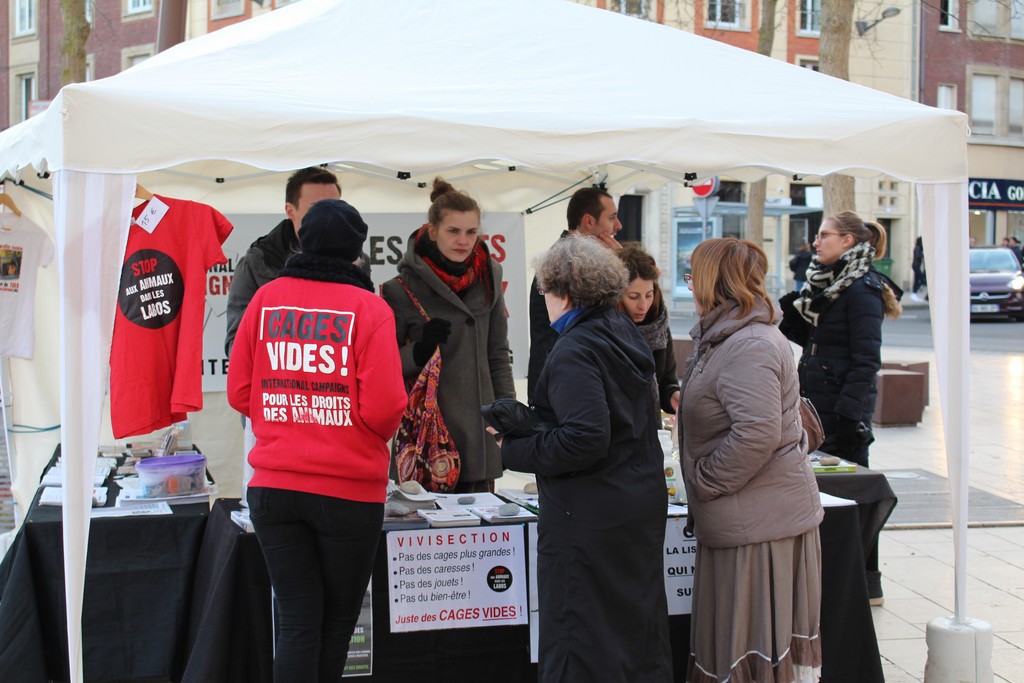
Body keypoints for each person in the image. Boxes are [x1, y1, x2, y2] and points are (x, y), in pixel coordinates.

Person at [227, 199, 407, 683]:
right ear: (355, 253)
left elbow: (240, 391)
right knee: (334, 626)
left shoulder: (267, 299)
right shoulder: (370, 308)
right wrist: (350, 430)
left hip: (274, 489)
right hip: (347, 493)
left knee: (297, 622)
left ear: (302, 239)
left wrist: (288, 420)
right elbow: (387, 407)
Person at [500, 234, 672, 683]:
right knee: (632, 631)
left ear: (564, 293)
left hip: (589, 515)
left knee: (582, 635)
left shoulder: (576, 348)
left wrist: (512, 449)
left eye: (545, 292)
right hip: (632, 502)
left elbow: (584, 439)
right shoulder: (620, 333)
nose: (545, 302)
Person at [679, 237, 824, 683]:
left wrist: (704, 480)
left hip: (760, 525)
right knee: (733, 648)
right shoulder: (729, 337)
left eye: (692, 277)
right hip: (747, 519)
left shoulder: (750, 344)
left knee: (748, 651)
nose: (689, 286)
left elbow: (756, 434)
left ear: (711, 282)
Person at [779, 210, 903, 605]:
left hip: (842, 409)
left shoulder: (862, 289)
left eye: (824, 235)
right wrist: (794, 309)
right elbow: (816, 339)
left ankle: (868, 583)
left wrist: (852, 415)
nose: (816, 242)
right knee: (827, 494)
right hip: (818, 400)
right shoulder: (827, 284)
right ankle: (834, 575)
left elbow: (866, 359)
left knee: (854, 498)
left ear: (848, 241)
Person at [381, 177, 515, 492]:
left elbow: (497, 354)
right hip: (426, 438)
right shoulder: (399, 290)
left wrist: (508, 417)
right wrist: (421, 347)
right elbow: (384, 367)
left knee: (482, 540)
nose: (463, 240)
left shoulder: (490, 277)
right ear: (432, 231)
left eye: (471, 232)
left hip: (479, 436)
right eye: (453, 231)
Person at [225, 166, 370, 355]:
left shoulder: (358, 261)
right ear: (290, 210)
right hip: (281, 379)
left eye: (335, 205)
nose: (328, 215)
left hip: (338, 378)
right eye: (316, 207)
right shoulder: (257, 262)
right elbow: (237, 345)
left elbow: (364, 335)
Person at [527, 186, 622, 403]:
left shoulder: (578, 259)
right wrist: (620, 267)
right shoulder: (568, 264)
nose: (618, 225)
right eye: (612, 218)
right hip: (563, 391)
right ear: (589, 221)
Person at [616, 242, 680, 415]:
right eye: (634, 297)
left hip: (648, 428)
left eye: (649, 295)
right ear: (616, 295)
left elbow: (666, 382)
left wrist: (674, 395)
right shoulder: (603, 331)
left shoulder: (658, 326)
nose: (643, 305)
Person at [910, 236, 927, 302]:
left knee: (917, 279)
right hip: (916, 266)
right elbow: (917, 256)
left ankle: (914, 294)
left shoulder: (918, 247)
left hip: (916, 266)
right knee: (921, 279)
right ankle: (914, 292)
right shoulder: (917, 248)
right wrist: (923, 255)